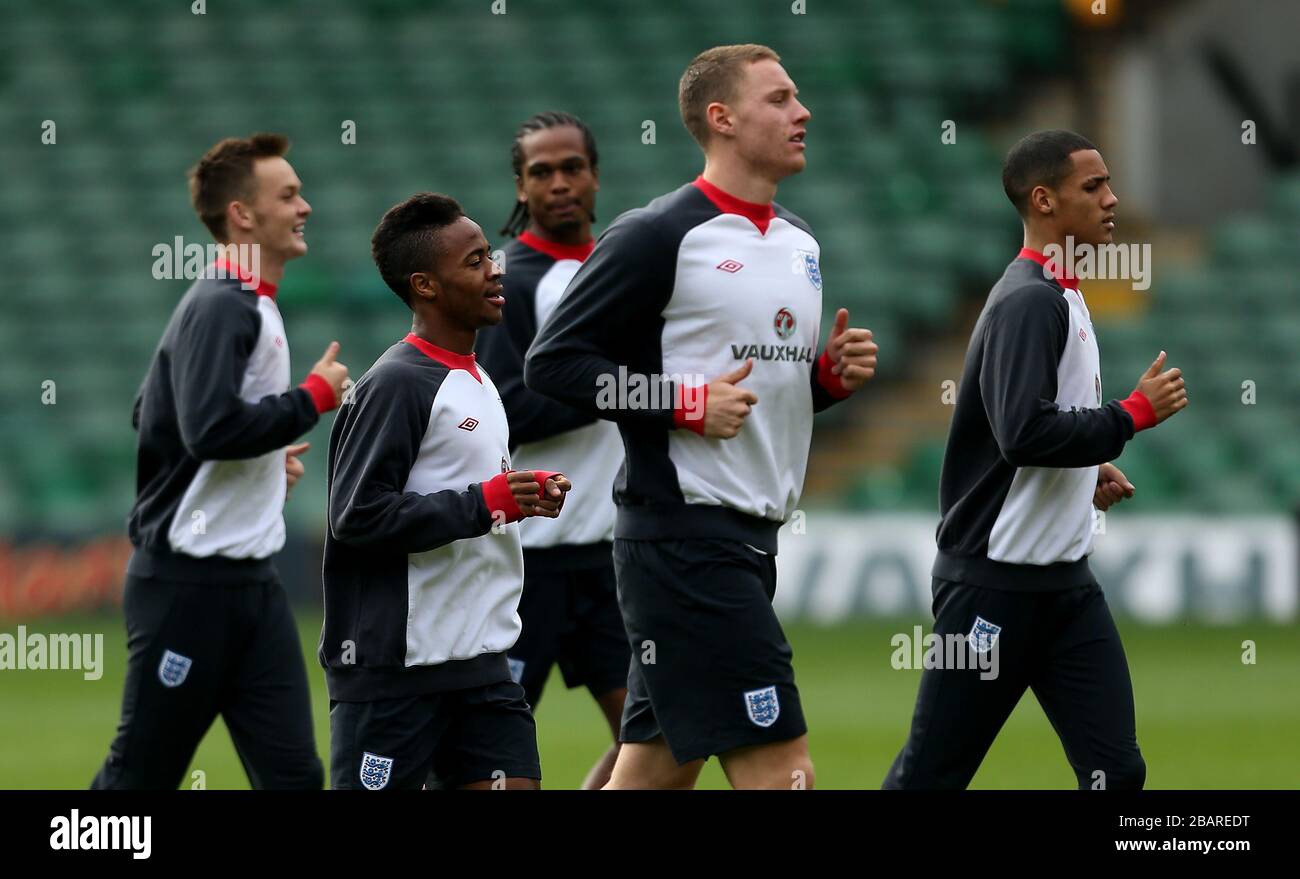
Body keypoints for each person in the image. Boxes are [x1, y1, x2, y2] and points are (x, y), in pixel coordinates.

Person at [526, 45, 879, 789]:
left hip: (748, 541)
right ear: (721, 118)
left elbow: (755, 395)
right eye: (779, 99)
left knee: (655, 774)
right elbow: (552, 366)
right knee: (785, 769)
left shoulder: (801, 240)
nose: (802, 111)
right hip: (685, 543)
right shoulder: (656, 234)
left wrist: (823, 381)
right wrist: (681, 403)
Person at [883, 129, 1188, 790]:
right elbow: (1021, 431)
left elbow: (1029, 428)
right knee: (929, 778)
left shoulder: (1063, 292)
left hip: (1065, 587)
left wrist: (1084, 470)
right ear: (1045, 200)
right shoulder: (1030, 300)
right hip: (994, 587)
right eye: (1093, 186)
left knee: (1117, 771)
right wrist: (1132, 413)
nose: (1112, 199)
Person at [93, 133, 347, 789]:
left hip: (251, 588)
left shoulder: (245, 302)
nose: (305, 206)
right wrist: (311, 398)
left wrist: (259, 466)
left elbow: (152, 408)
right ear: (241, 215)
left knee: (294, 775)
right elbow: (206, 427)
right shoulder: (223, 303)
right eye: (288, 195)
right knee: (138, 777)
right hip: (187, 589)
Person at [321, 192, 571, 790]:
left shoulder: (479, 380)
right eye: (476, 261)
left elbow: (471, 496)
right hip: (396, 675)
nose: (496, 270)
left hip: (483, 668)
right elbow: (356, 516)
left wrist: (521, 494)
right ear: (426, 286)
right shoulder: (396, 383)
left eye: (491, 255)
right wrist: (489, 502)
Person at [474, 111, 630, 789]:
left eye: (573, 167)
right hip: (524, 556)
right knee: (492, 761)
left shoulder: (628, 267)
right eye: (542, 171)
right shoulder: (505, 280)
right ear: (521, 185)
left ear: (596, 175)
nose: (560, 183)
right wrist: (622, 389)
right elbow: (502, 410)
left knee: (659, 738)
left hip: (612, 551)